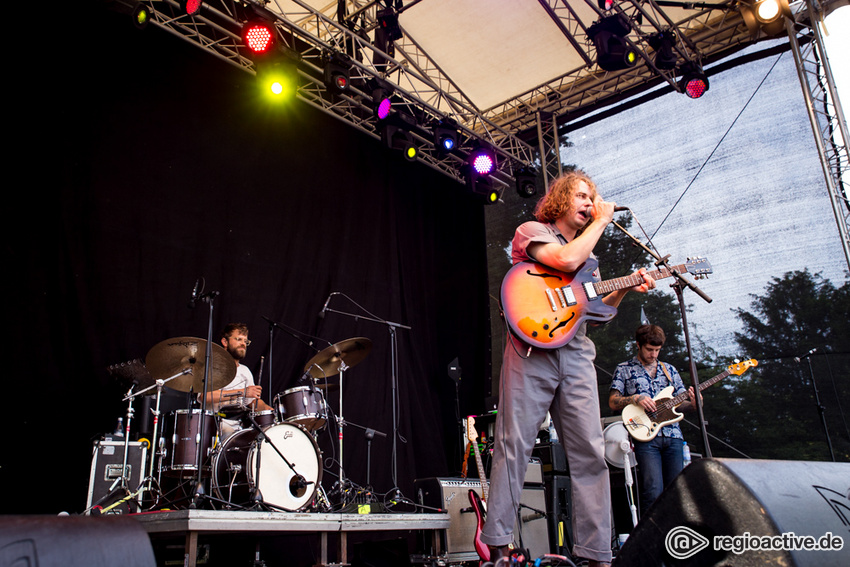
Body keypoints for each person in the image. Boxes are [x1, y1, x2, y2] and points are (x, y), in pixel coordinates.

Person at [481, 170, 655, 567]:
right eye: (581, 196)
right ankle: (498, 546)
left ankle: (596, 553)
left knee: (590, 452)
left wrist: (626, 287)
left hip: (576, 354)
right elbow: (563, 258)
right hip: (531, 353)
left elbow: (599, 313)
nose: (590, 204)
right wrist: (603, 220)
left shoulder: (589, 260)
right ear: (561, 199)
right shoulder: (532, 231)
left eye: (593, 199)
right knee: (514, 446)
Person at [608, 324, 696, 518]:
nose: (654, 354)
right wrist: (634, 398)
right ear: (638, 345)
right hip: (645, 437)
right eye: (649, 349)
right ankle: (652, 539)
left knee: (676, 491)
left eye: (657, 350)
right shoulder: (624, 369)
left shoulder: (669, 370)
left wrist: (696, 404)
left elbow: (683, 405)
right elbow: (613, 401)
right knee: (653, 491)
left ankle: (675, 536)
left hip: (673, 435)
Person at [205, 323, 273, 440]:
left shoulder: (245, 371)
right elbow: (205, 396)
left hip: (240, 425)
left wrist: (270, 411)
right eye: (238, 339)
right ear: (225, 342)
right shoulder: (213, 367)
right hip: (216, 424)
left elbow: (252, 402)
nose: (243, 344)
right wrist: (242, 392)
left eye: (245, 341)